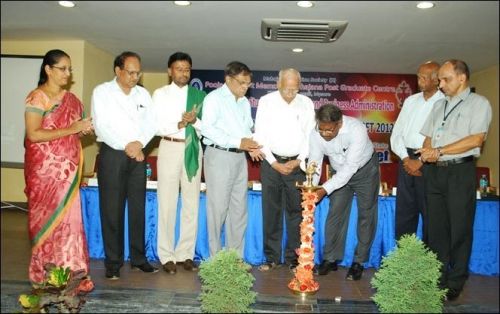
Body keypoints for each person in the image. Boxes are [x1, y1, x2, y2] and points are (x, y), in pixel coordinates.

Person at [417, 59, 492, 301]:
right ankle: (437, 277)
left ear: (462, 78)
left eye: (445, 79)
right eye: (439, 79)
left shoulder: (479, 104)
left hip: (460, 172)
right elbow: (428, 138)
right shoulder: (439, 106)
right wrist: (428, 151)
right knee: (436, 229)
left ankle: (456, 279)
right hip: (434, 172)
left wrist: (439, 151)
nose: (440, 84)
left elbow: (475, 140)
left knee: (459, 227)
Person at [24, 49, 94, 285]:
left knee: (70, 222)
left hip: (69, 174)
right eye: (63, 68)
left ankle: (71, 270)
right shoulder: (37, 98)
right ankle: (45, 272)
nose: (68, 73)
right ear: (48, 69)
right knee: (47, 223)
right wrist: (72, 129)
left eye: (69, 69)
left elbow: (76, 130)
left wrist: (82, 129)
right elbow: (34, 135)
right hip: (44, 175)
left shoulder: (72, 100)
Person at [91, 51, 158, 280]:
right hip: (112, 154)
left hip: (138, 155)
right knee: (112, 210)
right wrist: (128, 145)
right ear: (117, 71)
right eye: (130, 72)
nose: (135, 76)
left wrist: (139, 144)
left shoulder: (143, 94)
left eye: (138, 72)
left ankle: (139, 259)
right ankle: (113, 263)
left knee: (138, 208)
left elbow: (152, 124)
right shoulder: (102, 92)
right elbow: (102, 126)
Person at [252, 68, 316, 271]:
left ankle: (294, 258)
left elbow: (309, 136)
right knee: (271, 211)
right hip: (271, 164)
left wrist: (298, 160)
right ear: (278, 84)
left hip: (297, 165)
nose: (291, 94)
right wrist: (273, 162)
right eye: (287, 89)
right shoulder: (266, 101)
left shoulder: (306, 103)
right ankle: (271, 258)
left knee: (296, 213)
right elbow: (260, 134)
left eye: (294, 89)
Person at [308, 104, 379, 281]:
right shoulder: (316, 133)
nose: (325, 133)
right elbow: (315, 163)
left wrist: (324, 189)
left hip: (364, 171)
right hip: (337, 173)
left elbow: (350, 168)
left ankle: (359, 262)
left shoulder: (356, 130)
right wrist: (311, 188)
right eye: (321, 129)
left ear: (339, 123)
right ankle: (330, 259)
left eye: (329, 130)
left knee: (366, 215)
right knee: (335, 214)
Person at [152, 52, 206, 274]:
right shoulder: (160, 94)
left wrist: (195, 121)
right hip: (169, 146)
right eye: (179, 68)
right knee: (167, 202)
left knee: (192, 202)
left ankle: (185, 254)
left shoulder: (199, 95)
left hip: (193, 148)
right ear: (169, 71)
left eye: (187, 69)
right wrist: (180, 123)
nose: (183, 73)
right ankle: (166, 256)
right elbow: (156, 126)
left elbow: (207, 129)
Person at [201, 61, 261, 258]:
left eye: (248, 84)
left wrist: (251, 146)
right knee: (217, 210)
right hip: (218, 156)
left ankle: (234, 259)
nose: (245, 87)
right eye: (242, 83)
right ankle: (216, 260)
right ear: (228, 79)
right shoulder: (214, 99)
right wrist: (239, 141)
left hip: (239, 158)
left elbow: (246, 129)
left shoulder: (244, 102)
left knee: (238, 210)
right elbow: (208, 129)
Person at [390, 61, 444, 242]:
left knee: (431, 213)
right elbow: (397, 133)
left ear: (437, 80)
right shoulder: (410, 100)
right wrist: (406, 159)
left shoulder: (445, 102)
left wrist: (420, 161)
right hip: (406, 160)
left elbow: (442, 138)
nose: (419, 80)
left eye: (424, 77)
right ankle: (406, 259)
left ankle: (431, 262)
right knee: (404, 213)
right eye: (418, 76)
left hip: (431, 162)